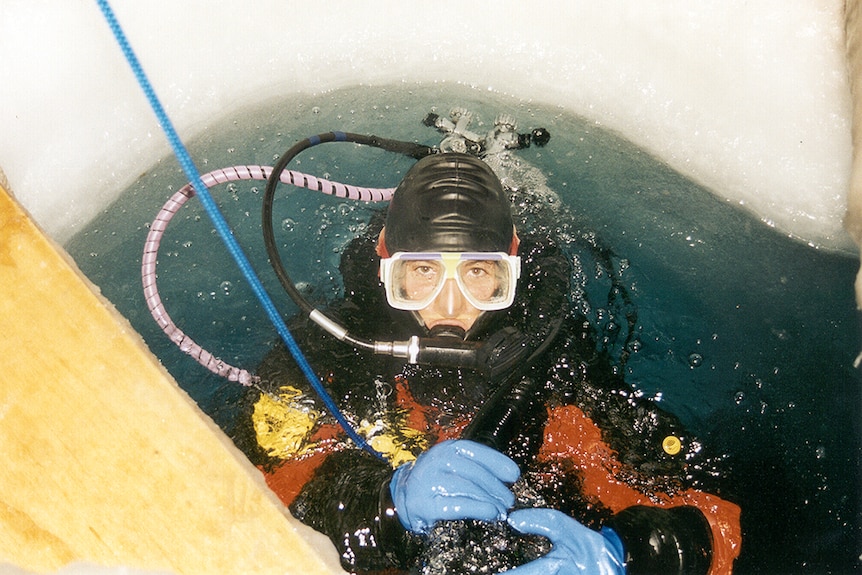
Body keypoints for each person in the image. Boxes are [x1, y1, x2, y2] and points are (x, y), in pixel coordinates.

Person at [231, 152, 741, 574]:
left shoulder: (554, 368)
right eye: (423, 272)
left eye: (478, 273)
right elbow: (239, 499)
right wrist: (387, 507)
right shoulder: (324, 356)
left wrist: (623, 554)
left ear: (512, 275)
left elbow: (717, 516)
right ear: (387, 269)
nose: (450, 306)